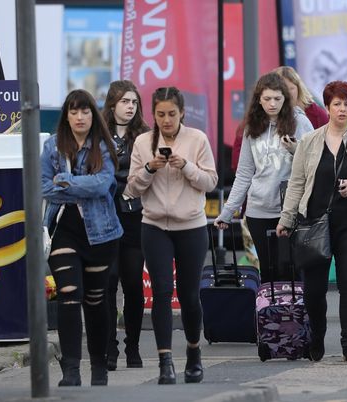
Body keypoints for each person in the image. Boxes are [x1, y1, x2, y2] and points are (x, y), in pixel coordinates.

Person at [276, 81, 347, 363]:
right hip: (314, 222)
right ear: (328, 107)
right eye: (337, 104)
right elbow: (297, 183)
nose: (342, 109)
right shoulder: (310, 141)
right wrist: (286, 219)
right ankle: (317, 338)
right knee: (314, 289)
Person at [125, 87, 218, 384]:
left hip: (191, 226)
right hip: (153, 226)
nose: (166, 120)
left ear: (182, 114)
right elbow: (131, 189)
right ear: (153, 114)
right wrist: (149, 169)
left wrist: (187, 166)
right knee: (162, 292)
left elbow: (211, 182)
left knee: (190, 296)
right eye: (161, 114)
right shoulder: (142, 142)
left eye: (172, 114)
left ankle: (193, 352)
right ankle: (165, 361)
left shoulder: (197, 139)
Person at [42, 89, 123, 386]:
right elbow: (43, 188)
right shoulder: (52, 147)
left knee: (95, 299)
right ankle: (71, 370)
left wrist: (65, 181)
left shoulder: (104, 146)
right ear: (66, 115)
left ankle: (99, 366)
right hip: (64, 230)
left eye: (85, 111)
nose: (79, 117)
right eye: (74, 112)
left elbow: (102, 186)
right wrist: (79, 185)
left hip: (102, 233)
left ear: (94, 115)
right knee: (68, 296)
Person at [214, 72, 314, 284]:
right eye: (267, 98)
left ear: (285, 99)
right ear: (258, 99)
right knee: (267, 272)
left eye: (277, 99)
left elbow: (315, 164)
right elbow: (243, 174)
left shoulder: (300, 123)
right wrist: (227, 211)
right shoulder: (252, 127)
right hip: (258, 209)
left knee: (290, 269)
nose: (272, 104)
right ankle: (271, 315)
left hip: (290, 208)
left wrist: (296, 150)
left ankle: (295, 315)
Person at [101, 80, 149, 371]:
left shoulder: (144, 135)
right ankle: (109, 348)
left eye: (133, 102)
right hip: (105, 216)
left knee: (132, 284)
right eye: (124, 102)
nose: (130, 107)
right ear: (112, 104)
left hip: (135, 215)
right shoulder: (98, 134)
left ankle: (132, 346)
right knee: (107, 283)